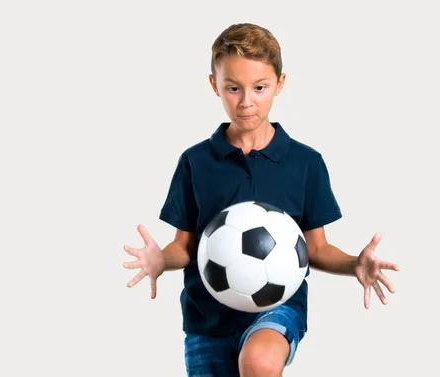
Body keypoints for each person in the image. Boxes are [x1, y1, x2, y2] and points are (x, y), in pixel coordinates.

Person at [123, 23, 400, 377]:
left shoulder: (305, 163)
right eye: (233, 88)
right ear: (214, 86)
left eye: (259, 88)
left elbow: (315, 248)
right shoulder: (195, 161)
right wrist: (160, 259)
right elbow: (185, 247)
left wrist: (353, 265)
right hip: (207, 318)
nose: (246, 101)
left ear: (280, 84)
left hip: (277, 308)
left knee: (258, 362)